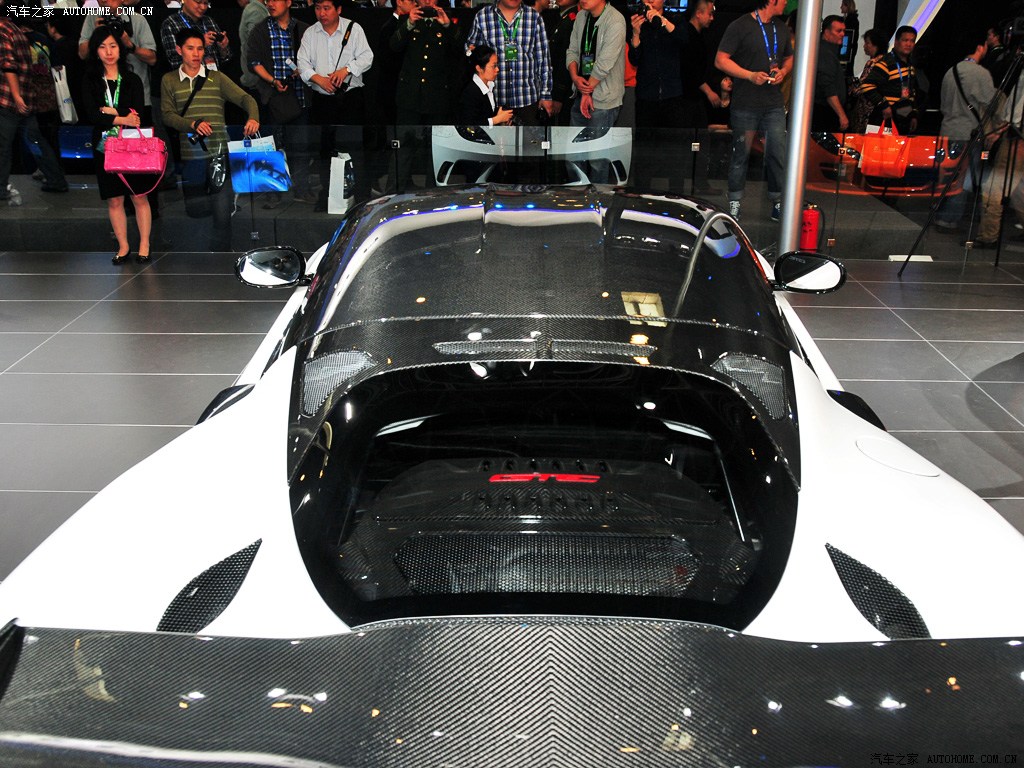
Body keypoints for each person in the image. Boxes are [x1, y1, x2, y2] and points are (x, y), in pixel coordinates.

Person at [161, 27, 259, 250]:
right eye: (190, 48)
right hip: (190, 155)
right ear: (179, 50)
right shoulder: (169, 80)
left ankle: (222, 253)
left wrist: (253, 118)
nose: (196, 53)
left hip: (218, 153)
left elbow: (246, 99)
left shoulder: (216, 77)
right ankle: (203, 251)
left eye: (200, 48)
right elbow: (167, 115)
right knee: (195, 210)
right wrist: (192, 124)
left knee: (221, 213)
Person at [82, 26, 156, 264]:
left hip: (132, 144)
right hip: (104, 145)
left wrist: (110, 111)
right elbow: (92, 114)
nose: (108, 52)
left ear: (120, 49)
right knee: (114, 199)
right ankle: (123, 246)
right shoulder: (90, 80)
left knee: (139, 196)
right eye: (103, 47)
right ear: (96, 51)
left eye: (113, 46)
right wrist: (121, 117)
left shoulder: (132, 79)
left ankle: (144, 244)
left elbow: (138, 112)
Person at [714, 0, 792, 222]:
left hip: (773, 103)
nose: (786, 2)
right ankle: (735, 202)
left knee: (777, 152)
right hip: (745, 103)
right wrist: (749, 75)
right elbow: (720, 60)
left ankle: (777, 201)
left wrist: (783, 71)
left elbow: (789, 57)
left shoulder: (781, 28)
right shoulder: (740, 25)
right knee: (741, 154)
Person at [298, 0, 373, 209]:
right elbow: (302, 62)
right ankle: (329, 195)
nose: (321, 13)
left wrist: (346, 70)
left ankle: (361, 196)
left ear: (338, 9)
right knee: (325, 150)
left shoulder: (353, 29)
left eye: (326, 8)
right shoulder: (311, 33)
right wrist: (318, 79)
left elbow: (367, 57)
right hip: (322, 100)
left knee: (355, 149)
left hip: (350, 98)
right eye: (318, 8)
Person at [0, 3, 68, 201]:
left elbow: (9, 66)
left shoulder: (2, 31)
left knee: (3, 146)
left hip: (10, 100)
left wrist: (16, 96)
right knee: (36, 140)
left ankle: (1, 189)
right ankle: (56, 179)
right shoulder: (15, 30)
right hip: (27, 97)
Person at [391, 0, 461, 190]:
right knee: (403, 148)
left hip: (436, 97)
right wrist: (409, 24)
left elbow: (460, 49)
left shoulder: (447, 22)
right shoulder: (407, 20)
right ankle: (395, 192)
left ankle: (433, 194)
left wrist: (448, 26)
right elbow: (394, 45)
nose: (428, 2)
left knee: (435, 149)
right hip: (410, 96)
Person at [465, 0, 554, 124]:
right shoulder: (483, 16)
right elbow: (472, 51)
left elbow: (543, 59)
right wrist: (470, 51)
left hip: (527, 98)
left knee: (529, 136)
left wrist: (546, 94)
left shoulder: (534, 17)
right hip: (494, 98)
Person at [566, 0, 624, 182]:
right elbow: (572, 51)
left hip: (603, 99)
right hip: (581, 92)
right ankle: (578, 195)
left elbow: (604, 64)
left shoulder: (615, 20)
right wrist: (575, 78)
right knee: (573, 155)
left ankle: (599, 198)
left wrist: (586, 91)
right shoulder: (581, 16)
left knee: (597, 159)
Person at [79, 0, 159, 120]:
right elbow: (82, 54)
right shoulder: (93, 17)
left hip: (135, 94)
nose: (103, 1)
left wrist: (130, 45)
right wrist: (96, 35)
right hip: (102, 94)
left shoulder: (137, 19)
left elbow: (152, 59)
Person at [859, 25, 920, 135]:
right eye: (905, 40)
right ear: (896, 42)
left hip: (903, 118)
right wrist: (884, 105)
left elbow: (911, 92)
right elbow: (866, 86)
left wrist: (913, 114)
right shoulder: (886, 62)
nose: (909, 44)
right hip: (885, 118)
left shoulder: (910, 65)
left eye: (912, 41)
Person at [678, 0, 720, 131]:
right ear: (698, 14)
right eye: (709, 14)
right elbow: (690, 70)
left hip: (694, 95)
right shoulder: (687, 36)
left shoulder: (700, 35)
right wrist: (708, 91)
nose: (712, 18)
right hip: (686, 97)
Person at [160, 0, 234, 70]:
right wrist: (200, 45)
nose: (203, 7)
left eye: (205, 3)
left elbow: (226, 58)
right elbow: (175, 62)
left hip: (214, 74)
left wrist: (223, 48)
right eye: (198, 2)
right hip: (189, 77)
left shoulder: (209, 21)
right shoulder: (171, 24)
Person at [458, 44, 514, 124]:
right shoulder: (470, 92)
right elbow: (469, 124)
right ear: (479, 68)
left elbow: (486, 115)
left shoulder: (488, 86)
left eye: (497, 65)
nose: (497, 69)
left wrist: (500, 118)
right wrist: (497, 119)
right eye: (493, 66)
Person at [811, 15, 848, 133]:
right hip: (823, 113)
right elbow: (827, 86)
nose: (842, 34)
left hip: (825, 111)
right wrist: (841, 114)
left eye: (843, 31)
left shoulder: (828, 51)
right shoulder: (825, 53)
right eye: (838, 31)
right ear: (827, 32)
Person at [847, 27, 884, 133]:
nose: (864, 46)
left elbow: (861, 88)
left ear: (876, 45)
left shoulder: (872, 63)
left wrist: (851, 87)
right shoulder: (887, 61)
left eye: (867, 43)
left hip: (866, 111)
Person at [238, 0, 269, 97]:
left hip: (258, 80)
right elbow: (255, 47)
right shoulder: (256, 10)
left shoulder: (255, 10)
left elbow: (255, 47)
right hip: (258, 79)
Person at [839, 0, 857, 77]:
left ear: (847, 6)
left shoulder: (851, 20)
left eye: (842, 5)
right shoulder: (851, 19)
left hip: (847, 50)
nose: (840, 7)